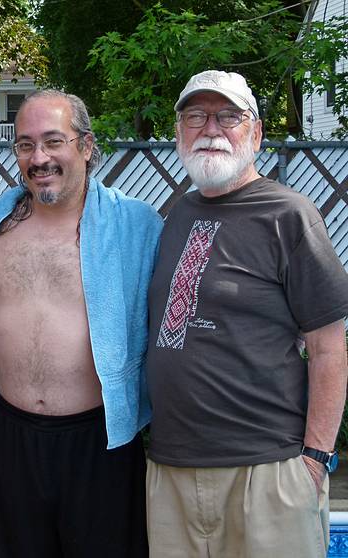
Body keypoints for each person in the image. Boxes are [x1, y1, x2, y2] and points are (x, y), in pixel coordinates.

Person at [146, 69, 348, 558]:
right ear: (178, 133)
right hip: (171, 472)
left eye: (229, 116)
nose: (210, 129)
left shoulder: (290, 216)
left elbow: (328, 348)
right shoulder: (177, 216)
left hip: (267, 473)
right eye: (196, 116)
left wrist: (315, 460)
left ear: (255, 132)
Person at [0, 89, 163, 557]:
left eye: (53, 141)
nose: (39, 157)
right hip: (13, 438)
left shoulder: (136, 226)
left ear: (85, 145)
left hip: (99, 441)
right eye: (25, 144)